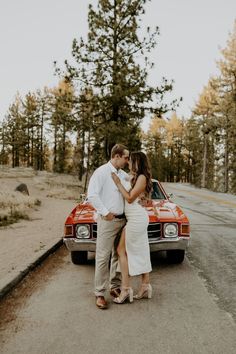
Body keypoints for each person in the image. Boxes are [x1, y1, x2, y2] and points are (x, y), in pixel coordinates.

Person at [87, 144, 130, 309]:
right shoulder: (101, 172)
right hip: (107, 221)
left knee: (117, 255)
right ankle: (99, 293)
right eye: (125, 158)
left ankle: (114, 286)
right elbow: (92, 195)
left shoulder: (123, 174)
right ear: (117, 156)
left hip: (122, 220)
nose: (127, 161)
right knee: (103, 256)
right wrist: (105, 212)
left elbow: (131, 192)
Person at [111, 151, 152, 304]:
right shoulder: (134, 176)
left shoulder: (141, 177)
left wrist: (118, 183)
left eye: (130, 161)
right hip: (135, 218)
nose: (128, 162)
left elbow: (129, 199)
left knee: (121, 250)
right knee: (141, 250)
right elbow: (142, 197)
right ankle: (145, 286)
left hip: (137, 219)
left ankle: (125, 289)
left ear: (137, 162)